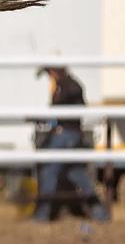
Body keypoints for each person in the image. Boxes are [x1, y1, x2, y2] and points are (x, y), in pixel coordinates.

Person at [33, 67, 110, 223]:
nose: (49, 77)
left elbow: (68, 106)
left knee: (49, 171)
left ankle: (42, 214)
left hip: (66, 135)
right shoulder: (66, 85)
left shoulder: (69, 86)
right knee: (75, 174)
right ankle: (100, 214)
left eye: (50, 73)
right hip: (68, 135)